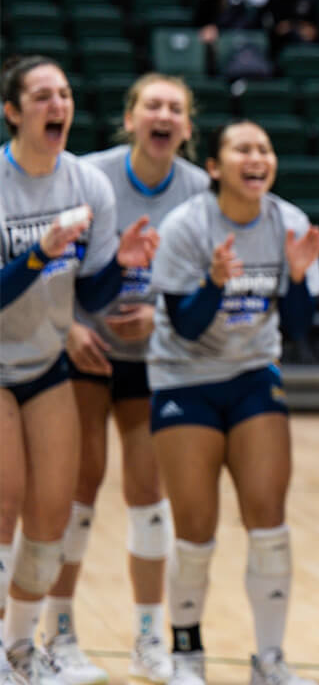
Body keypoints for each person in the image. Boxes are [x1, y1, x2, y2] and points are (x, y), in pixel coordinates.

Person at [43, 73, 210, 685]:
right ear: (131, 117)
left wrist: (160, 317)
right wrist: (66, 327)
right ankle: (58, 631)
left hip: (155, 360)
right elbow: (53, 260)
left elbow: (206, 283)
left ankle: (148, 638)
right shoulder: (91, 176)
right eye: (152, 105)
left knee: (149, 497)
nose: (163, 116)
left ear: (187, 128)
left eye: (176, 108)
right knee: (78, 490)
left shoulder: (199, 190)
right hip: (87, 349)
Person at [147, 120, 319, 685]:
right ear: (217, 167)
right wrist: (215, 283)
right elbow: (185, 325)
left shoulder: (288, 222)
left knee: (268, 521)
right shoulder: (186, 226)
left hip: (253, 374)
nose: (257, 157)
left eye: (265, 148)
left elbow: (301, 328)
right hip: (185, 378)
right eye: (242, 148)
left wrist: (296, 278)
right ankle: (185, 654)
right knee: (195, 527)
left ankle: (269, 660)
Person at [1, 54, 159, 685]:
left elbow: (92, 301)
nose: (56, 105)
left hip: (43, 362)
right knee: (5, 499)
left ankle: (21, 649)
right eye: (41, 96)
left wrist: (119, 264)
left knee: (52, 512)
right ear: (13, 112)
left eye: (63, 93)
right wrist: (39, 253)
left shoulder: (87, 186)